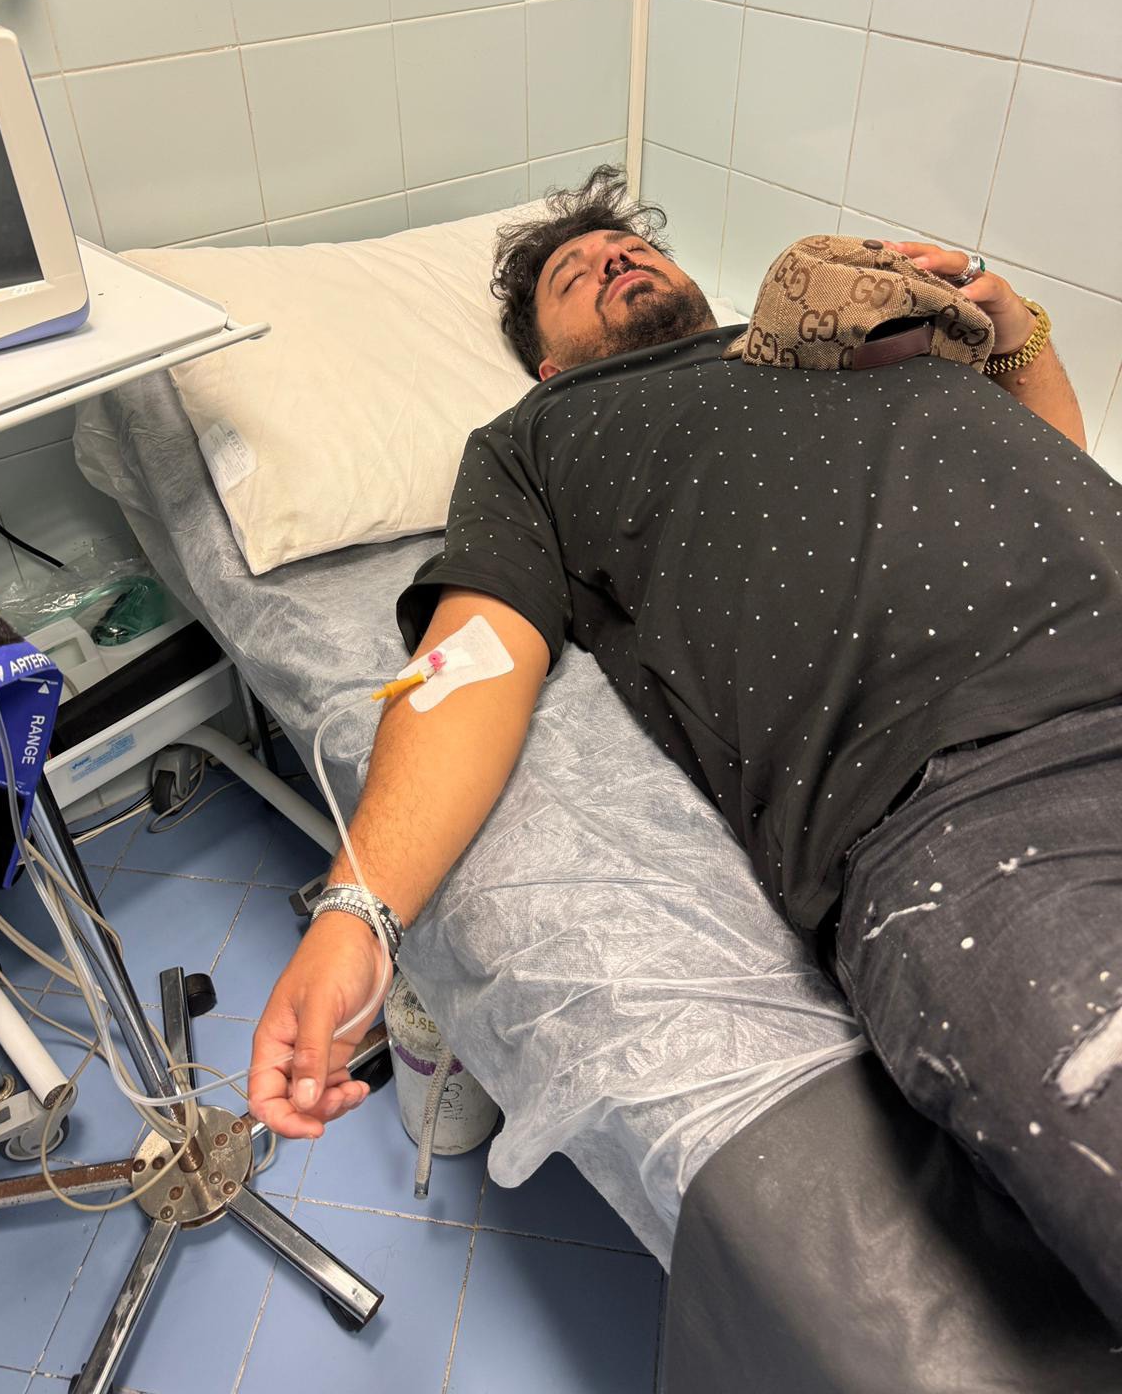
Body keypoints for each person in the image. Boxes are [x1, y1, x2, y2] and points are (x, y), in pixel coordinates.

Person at [250, 167, 1122, 1327]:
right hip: (967, 793)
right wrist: (358, 913)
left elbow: (1051, 466)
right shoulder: (536, 438)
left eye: (630, 247)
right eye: (573, 275)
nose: (613, 258)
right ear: (548, 363)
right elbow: (471, 661)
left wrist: (1013, 336)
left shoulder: (834, 326)